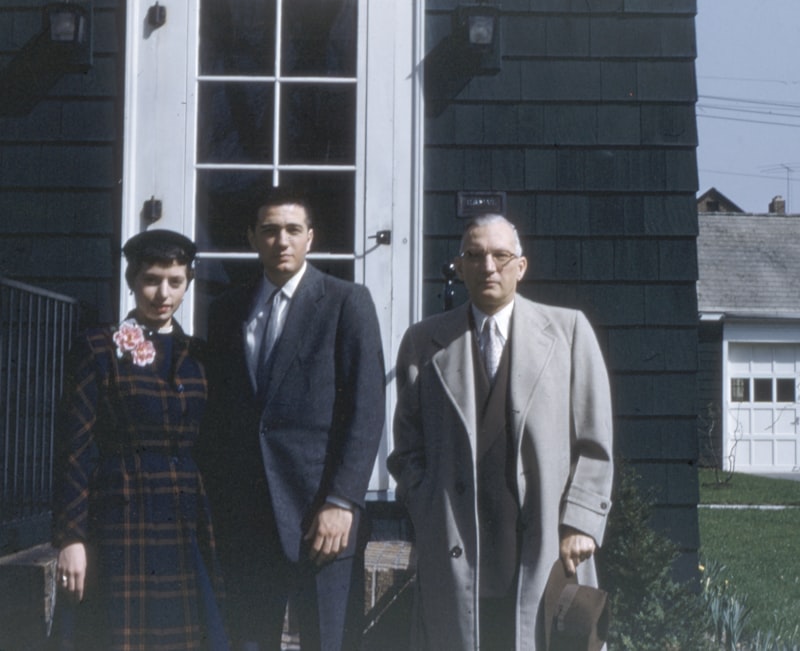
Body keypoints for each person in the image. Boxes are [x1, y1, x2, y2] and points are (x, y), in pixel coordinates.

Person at [388, 213, 615, 651]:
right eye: (474, 255)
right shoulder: (424, 342)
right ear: (459, 265)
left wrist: (581, 523)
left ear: (521, 266)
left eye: (500, 255)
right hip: (458, 549)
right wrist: (430, 511)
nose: (487, 266)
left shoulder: (567, 332)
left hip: (545, 543)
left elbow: (595, 443)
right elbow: (406, 449)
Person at [202, 187, 385, 651]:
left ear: (310, 238)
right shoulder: (225, 311)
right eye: (269, 230)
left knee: (327, 641)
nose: (281, 240)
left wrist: (343, 500)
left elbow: (365, 411)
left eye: (292, 230)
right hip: (247, 517)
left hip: (320, 514)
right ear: (252, 238)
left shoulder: (346, 302)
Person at [51, 230, 228, 651]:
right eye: (151, 279)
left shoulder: (200, 356)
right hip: (119, 514)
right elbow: (73, 450)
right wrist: (71, 537)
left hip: (184, 515)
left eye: (175, 281)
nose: (162, 293)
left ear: (187, 283)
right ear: (132, 280)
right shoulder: (99, 347)